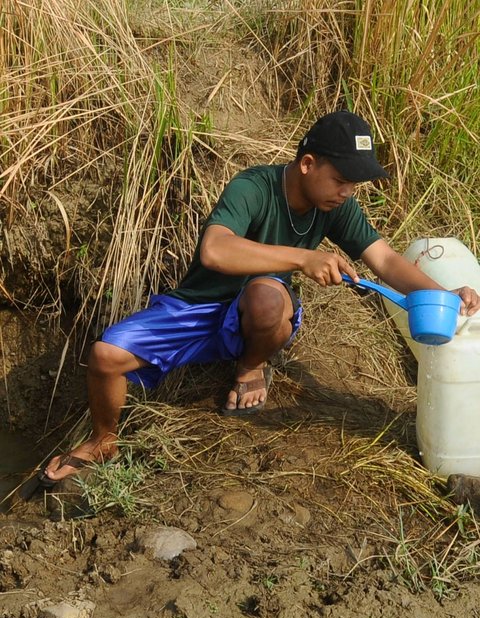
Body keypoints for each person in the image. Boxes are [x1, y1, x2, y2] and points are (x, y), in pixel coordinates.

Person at [39, 110, 480, 485]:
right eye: (341, 180)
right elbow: (214, 250)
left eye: (354, 185)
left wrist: (445, 294)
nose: (347, 192)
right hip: (196, 306)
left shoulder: (337, 206)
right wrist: (302, 258)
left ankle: (250, 366)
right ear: (307, 163)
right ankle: (103, 441)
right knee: (104, 356)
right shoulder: (253, 187)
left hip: (259, 309)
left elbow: (384, 261)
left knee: (269, 297)